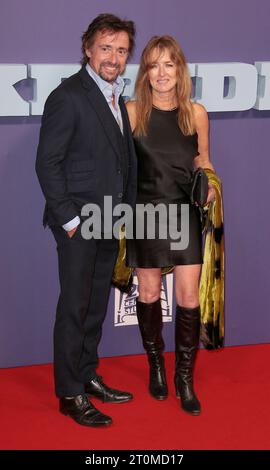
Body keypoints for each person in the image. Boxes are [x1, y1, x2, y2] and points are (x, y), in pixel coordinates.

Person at [36, 14, 137, 427]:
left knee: (96, 305)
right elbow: (48, 163)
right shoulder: (69, 96)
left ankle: (87, 373)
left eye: (121, 50)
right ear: (87, 49)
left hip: (109, 220)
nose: (113, 57)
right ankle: (69, 392)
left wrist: (126, 213)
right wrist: (70, 220)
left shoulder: (116, 95)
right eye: (106, 48)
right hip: (79, 222)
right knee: (75, 308)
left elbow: (122, 161)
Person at [126, 35, 215, 416]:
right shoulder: (131, 112)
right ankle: (156, 367)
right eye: (153, 65)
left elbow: (204, 161)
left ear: (180, 69)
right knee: (148, 293)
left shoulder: (195, 113)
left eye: (169, 64)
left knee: (188, 299)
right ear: (145, 72)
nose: (161, 73)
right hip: (145, 212)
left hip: (183, 213)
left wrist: (210, 184)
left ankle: (185, 378)